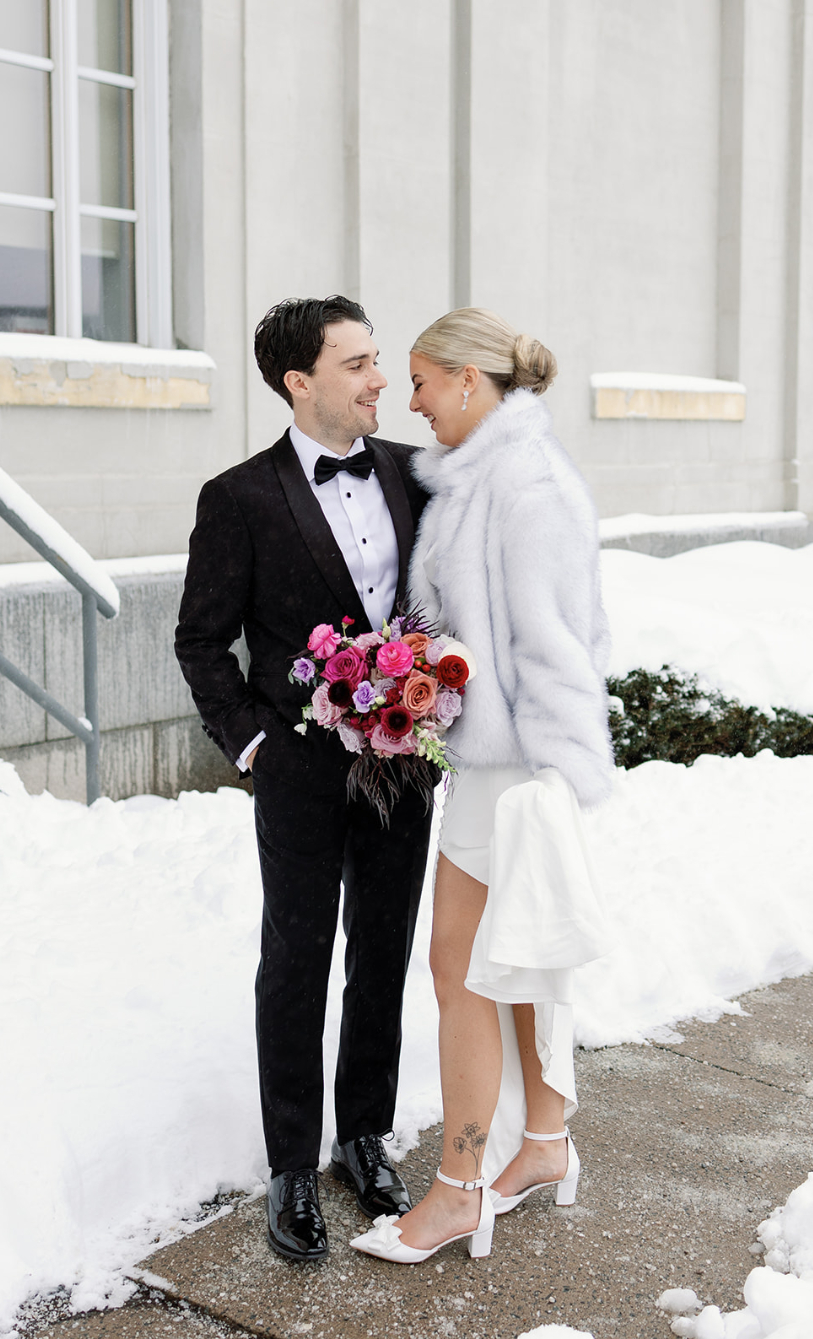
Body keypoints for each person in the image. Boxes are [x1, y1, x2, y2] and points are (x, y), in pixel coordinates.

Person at [350, 307, 614, 1264]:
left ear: (469, 380)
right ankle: (542, 1144)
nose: (408, 401)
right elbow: (478, 634)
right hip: (487, 771)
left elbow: (557, 650)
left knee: (463, 972)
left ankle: (460, 1190)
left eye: (419, 381)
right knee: (508, 967)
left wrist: (558, 781)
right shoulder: (476, 481)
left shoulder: (527, 489)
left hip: (518, 779)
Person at [174, 295, 435, 1263]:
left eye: (376, 360)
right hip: (298, 775)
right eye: (359, 363)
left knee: (383, 948)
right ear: (300, 381)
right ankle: (290, 1161)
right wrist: (255, 748)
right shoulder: (237, 499)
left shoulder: (416, 474)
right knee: (295, 961)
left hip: (405, 767)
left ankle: (361, 1137)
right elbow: (200, 641)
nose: (380, 379)